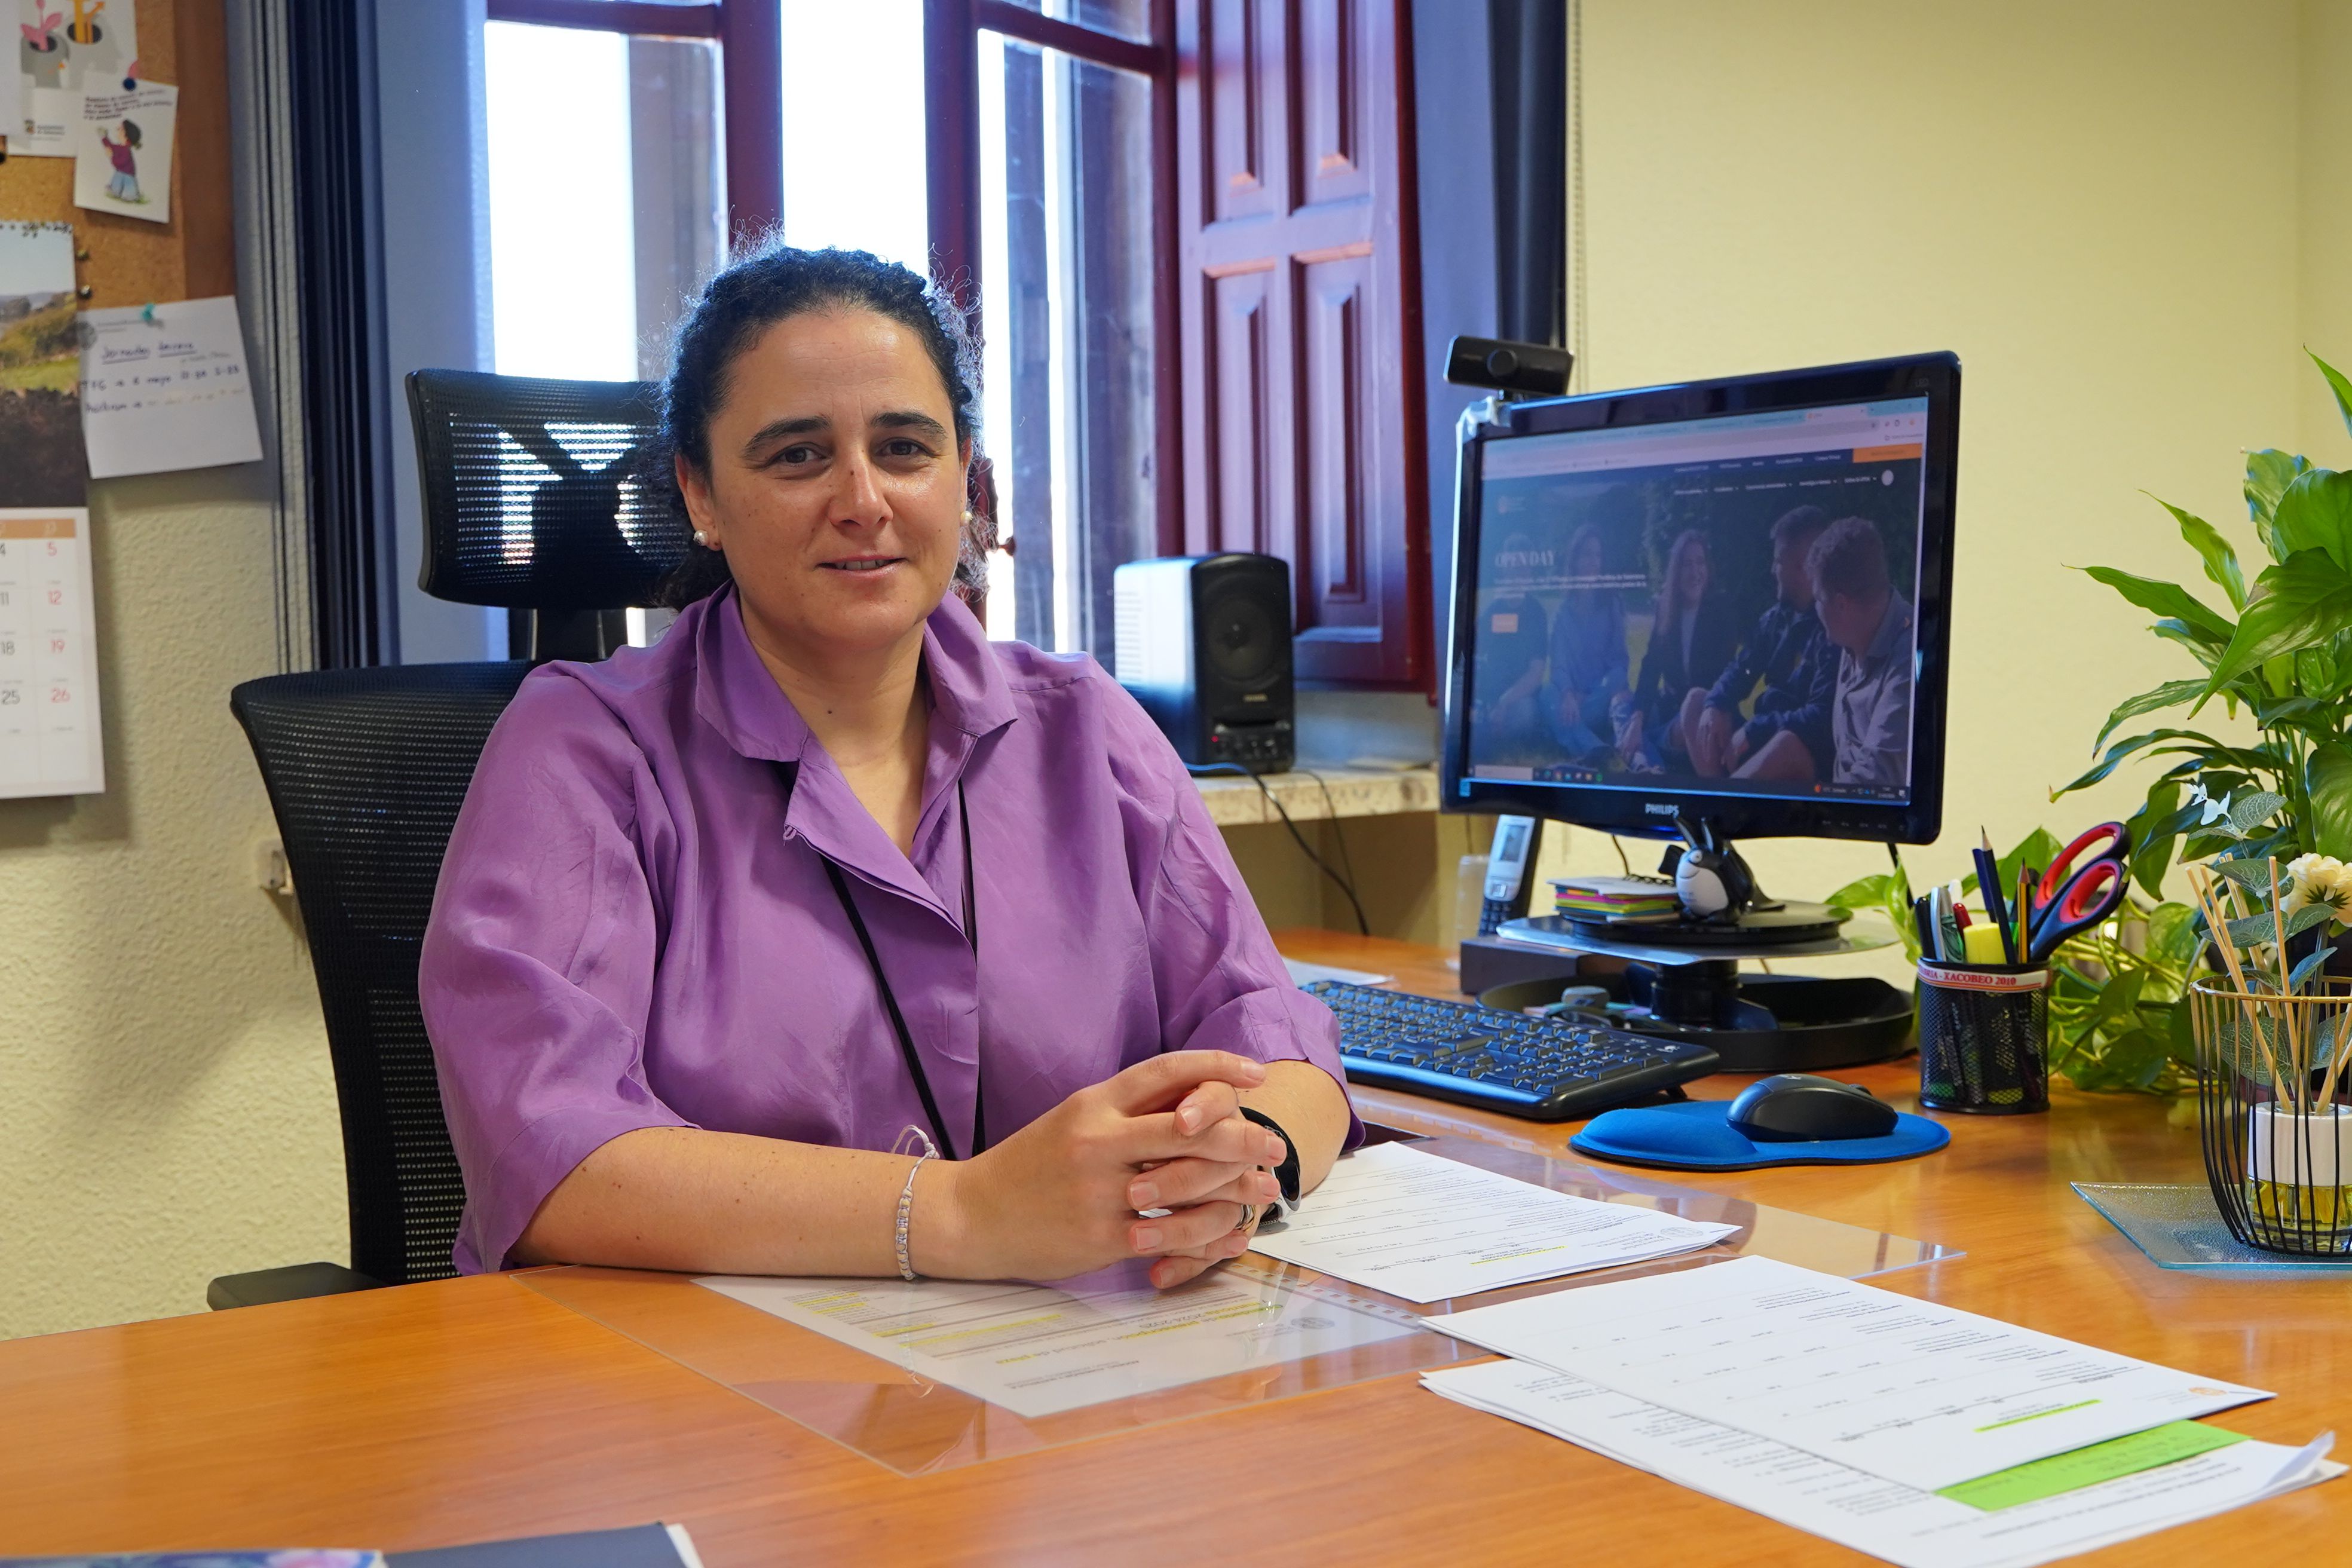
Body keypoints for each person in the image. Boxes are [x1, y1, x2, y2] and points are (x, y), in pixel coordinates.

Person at [419, 246, 1356, 1292]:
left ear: (965, 476)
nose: (863, 500)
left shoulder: (1084, 726)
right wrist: (959, 1214)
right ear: (700, 492)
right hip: (708, 1399)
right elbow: (551, 1160)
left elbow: (1281, 1040)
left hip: (1074, 1389)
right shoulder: (585, 750)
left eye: (906, 447)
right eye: (796, 456)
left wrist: (1243, 1163)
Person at [1685, 505, 1836, 781]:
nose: (1772, 570)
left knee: (1785, 744)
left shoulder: (1833, 628)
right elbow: (1742, 669)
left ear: (1804, 567)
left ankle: (1725, 808)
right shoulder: (1774, 620)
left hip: (1801, 755)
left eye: (1778, 561)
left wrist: (1756, 729)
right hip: (1764, 739)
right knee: (1697, 702)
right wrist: (1716, 704)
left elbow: (1821, 718)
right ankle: (1721, 797)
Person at [1616, 528, 1738, 771]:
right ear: (1676, 570)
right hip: (1667, 708)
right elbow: (1651, 668)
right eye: (1687, 564)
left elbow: (1725, 676)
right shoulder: (1666, 608)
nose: (1695, 572)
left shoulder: (1721, 610)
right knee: (1621, 705)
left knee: (1646, 735)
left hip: (1698, 715)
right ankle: (1640, 751)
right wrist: (1638, 717)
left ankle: (1644, 760)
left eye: (1700, 563)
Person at [1809, 516, 1915, 786]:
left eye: (1818, 600)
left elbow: (1875, 779)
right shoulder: (1854, 635)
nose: (1815, 610)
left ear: (1842, 605)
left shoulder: (1907, 663)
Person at [1541, 523, 1630, 763]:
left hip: (1599, 701)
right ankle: (1596, 749)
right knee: (1548, 693)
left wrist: (1588, 695)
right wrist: (1569, 694)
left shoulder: (1612, 604)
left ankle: (1568, 734)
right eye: (1587, 554)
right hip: (1572, 704)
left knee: (1616, 687)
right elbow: (1558, 665)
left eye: (1598, 555)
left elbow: (1620, 664)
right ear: (1575, 560)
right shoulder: (1562, 612)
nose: (1594, 561)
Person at [1469, 531, 1552, 759]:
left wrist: (1506, 703)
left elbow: (1536, 673)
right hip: (1490, 696)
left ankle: (1493, 729)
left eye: (1523, 567)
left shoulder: (1536, 614)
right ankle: (1489, 726)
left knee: (1526, 715)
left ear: (1530, 572)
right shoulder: (1490, 612)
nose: (1518, 573)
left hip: (1520, 698)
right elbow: (1471, 659)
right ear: (1504, 569)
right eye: (1513, 566)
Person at [98, 119, 142, 205]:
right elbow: (111, 146)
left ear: (126, 135)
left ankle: (130, 196)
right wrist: (104, 137)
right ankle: (115, 191)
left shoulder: (126, 151)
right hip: (120, 172)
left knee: (129, 187)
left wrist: (111, 156)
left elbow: (119, 163)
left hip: (128, 174)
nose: (118, 129)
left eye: (121, 129)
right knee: (117, 179)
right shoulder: (120, 147)